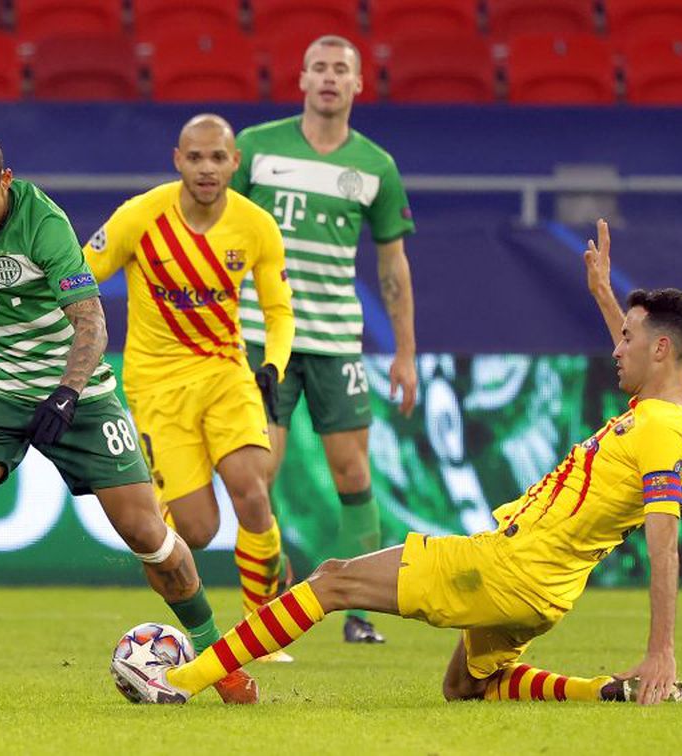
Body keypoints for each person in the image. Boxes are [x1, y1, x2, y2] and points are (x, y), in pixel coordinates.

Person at [114, 219, 682, 707]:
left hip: (506, 568)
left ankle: (183, 680)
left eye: (628, 340)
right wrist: (604, 297)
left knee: (332, 580)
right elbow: (646, 372)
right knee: (464, 687)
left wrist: (661, 651)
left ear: (661, 349)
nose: (616, 349)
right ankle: (605, 691)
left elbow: (664, 544)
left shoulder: (660, 433)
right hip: (547, 591)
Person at [0, 135, 256, 705]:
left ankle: (220, 660)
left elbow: (92, 322)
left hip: (78, 394)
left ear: (5, 182)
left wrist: (67, 394)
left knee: (146, 534)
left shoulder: (44, 225)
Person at [231, 34, 418, 644]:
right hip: (263, 335)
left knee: (352, 471)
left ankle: (359, 609)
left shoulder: (375, 166)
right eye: (320, 67)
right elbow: (215, 230)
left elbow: (392, 265)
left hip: (337, 338)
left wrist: (405, 352)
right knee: (259, 472)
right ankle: (265, 599)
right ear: (302, 79)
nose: (330, 77)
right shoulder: (255, 148)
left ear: (359, 83)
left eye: (341, 69)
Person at [83, 115, 296, 639]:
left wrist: (273, 364)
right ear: (178, 160)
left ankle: (262, 632)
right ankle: (169, 545)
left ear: (234, 163)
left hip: (226, 373)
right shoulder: (140, 216)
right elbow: (81, 276)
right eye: (196, 157)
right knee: (199, 530)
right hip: (157, 386)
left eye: (217, 157)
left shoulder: (255, 225)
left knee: (252, 491)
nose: (206, 168)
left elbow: (279, 311)